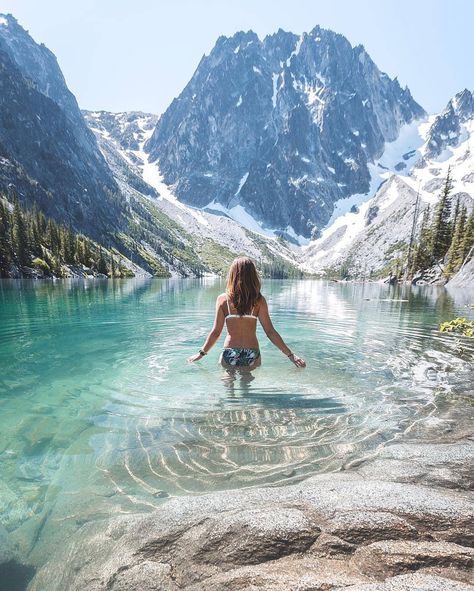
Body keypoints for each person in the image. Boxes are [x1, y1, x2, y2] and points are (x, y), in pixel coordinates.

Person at [188, 257, 306, 369]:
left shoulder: (223, 300)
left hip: (230, 351)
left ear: (233, 275)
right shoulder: (259, 301)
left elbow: (216, 333)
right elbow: (270, 332)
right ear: (253, 276)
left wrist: (201, 354)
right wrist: (290, 355)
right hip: (252, 353)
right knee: (247, 387)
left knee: (228, 385)